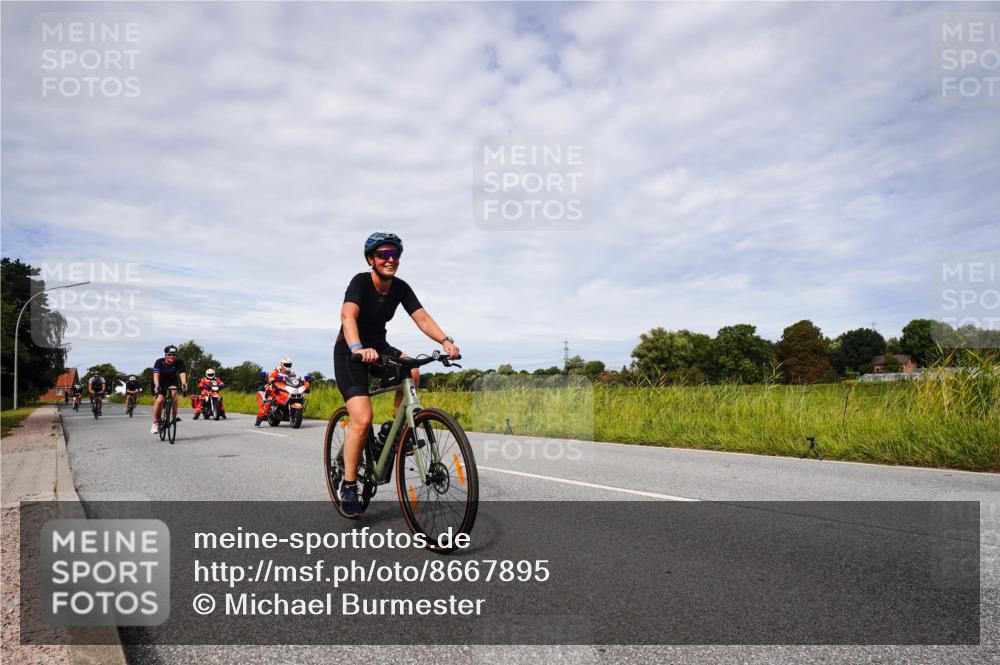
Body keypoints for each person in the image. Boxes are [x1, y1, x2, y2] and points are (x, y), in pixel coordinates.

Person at [333, 232, 459, 517]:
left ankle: (396, 430)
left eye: (395, 255)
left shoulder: (400, 287)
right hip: (350, 353)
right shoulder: (360, 282)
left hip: (380, 348)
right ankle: (349, 485)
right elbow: (347, 316)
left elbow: (422, 317)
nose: (390, 260)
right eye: (383, 255)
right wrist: (357, 347)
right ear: (371, 260)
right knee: (363, 418)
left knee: (412, 369)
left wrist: (445, 341)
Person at [151, 345, 188, 434]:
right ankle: (155, 423)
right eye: (169, 355)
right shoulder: (159, 362)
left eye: (174, 355)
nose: (172, 357)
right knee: (160, 400)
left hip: (172, 381)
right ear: (165, 355)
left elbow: (182, 373)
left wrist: (184, 384)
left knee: (174, 392)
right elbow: (155, 375)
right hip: (160, 381)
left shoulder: (179, 362)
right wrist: (157, 385)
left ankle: (173, 416)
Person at [255, 357, 294, 426]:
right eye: (286, 365)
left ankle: (289, 412)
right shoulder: (277, 369)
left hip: (284, 388)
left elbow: (293, 379)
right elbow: (271, 377)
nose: (288, 366)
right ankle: (259, 418)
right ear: (282, 364)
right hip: (273, 387)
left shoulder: (291, 372)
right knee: (269, 401)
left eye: (289, 365)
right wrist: (273, 380)